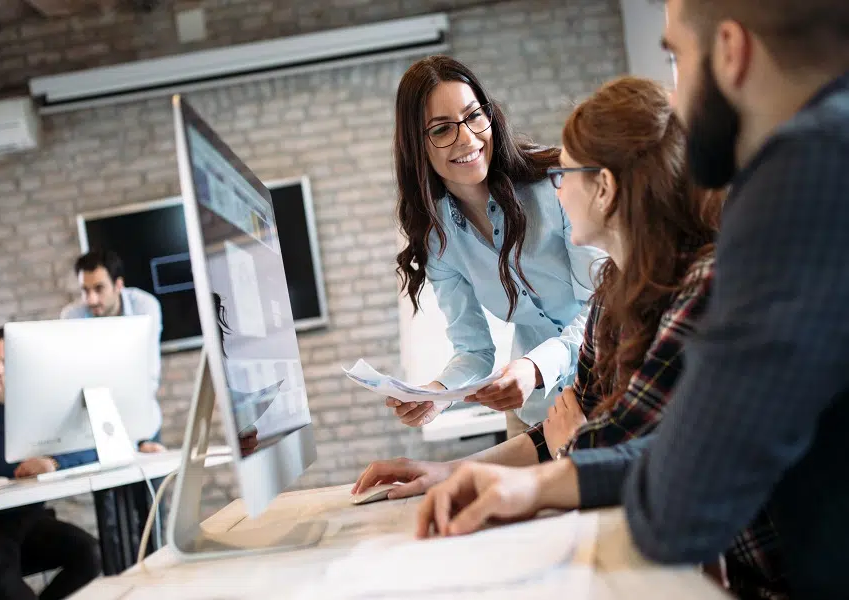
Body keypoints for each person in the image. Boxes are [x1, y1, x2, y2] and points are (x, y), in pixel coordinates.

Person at [415, 1, 849, 598]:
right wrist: (486, 469)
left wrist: (571, 444)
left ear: (731, 50)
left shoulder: (795, 186)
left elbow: (673, 491)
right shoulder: (610, 292)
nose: (675, 97)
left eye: (674, 56)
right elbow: (646, 452)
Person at [357, 76, 784, 596]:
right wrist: (446, 468)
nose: (556, 187)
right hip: (574, 438)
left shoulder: (700, 290)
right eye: (442, 129)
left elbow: (612, 447)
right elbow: (577, 430)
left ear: (603, 188)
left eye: (565, 173)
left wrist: (566, 445)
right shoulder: (612, 293)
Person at [391, 55, 606, 437]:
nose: (468, 139)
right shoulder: (439, 239)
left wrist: (536, 367)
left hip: (611, 388)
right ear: (416, 146)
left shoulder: (557, 184)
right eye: (441, 130)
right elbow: (474, 350)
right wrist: (439, 393)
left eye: (474, 115)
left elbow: (602, 307)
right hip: (535, 414)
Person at [0, 327, 101, 600]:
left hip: (32, 525)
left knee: (92, 553)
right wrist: (7, 405)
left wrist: (54, 462)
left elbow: (90, 450)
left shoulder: (39, 407)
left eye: (5, 363)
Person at [61, 249, 165, 452]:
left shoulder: (144, 306)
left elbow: (148, 373)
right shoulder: (72, 316)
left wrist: (137, 441)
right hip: (96, 423)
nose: (91, 299)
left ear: (118, 285)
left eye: (99, 289)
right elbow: (74, 377)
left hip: (141, 418)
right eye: (85, 290)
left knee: (155, 480)